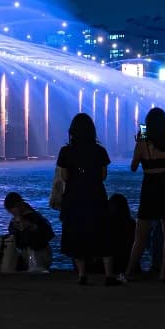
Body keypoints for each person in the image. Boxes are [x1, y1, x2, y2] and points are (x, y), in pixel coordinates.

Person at [52, 113, 120, 286]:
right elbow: (103, 176)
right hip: (96, 196)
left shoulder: (66, 151)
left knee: (76, 235)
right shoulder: (100, 151)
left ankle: (82, 275)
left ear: (72, 131)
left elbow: (64, 176)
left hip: (74, 197)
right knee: (103, 235)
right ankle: (109, 275)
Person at [123, 107, 165, 282]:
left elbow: (133, 167)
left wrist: (140, 141)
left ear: (147, 124)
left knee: (140, 236)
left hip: (149, 189)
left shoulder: (143, 142)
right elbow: (163, 167)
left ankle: (129, 272)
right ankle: (164, 273)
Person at [2, 191, 54, 274]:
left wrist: (20, 219)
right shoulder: (33, 216)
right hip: (35, 254)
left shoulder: (31, 218)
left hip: (38, 254)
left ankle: (35, 267)